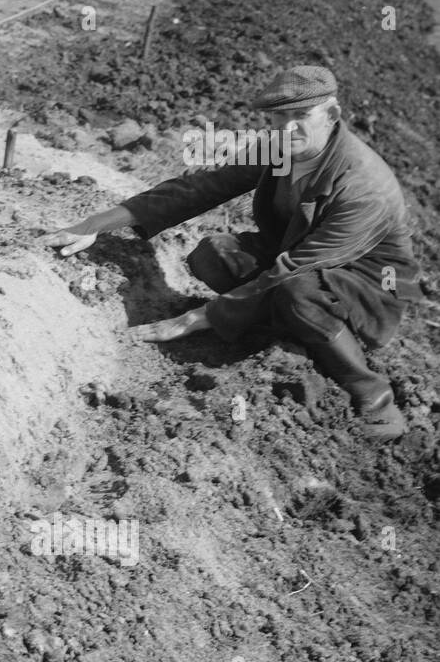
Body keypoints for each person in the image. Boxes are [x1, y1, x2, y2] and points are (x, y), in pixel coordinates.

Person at [40, 66, 420, 441]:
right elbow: (206, 186)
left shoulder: (362, 184)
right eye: (278, 117)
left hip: (366, 283)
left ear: (332, 115)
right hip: (295, 253)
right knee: (214, 255)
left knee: (298, 292)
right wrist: (99, 222)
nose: (287, 128)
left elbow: (303, 264)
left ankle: (373, 393)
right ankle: (281, 324)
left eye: (301, 116)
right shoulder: (281, 147)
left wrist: (201, 316)